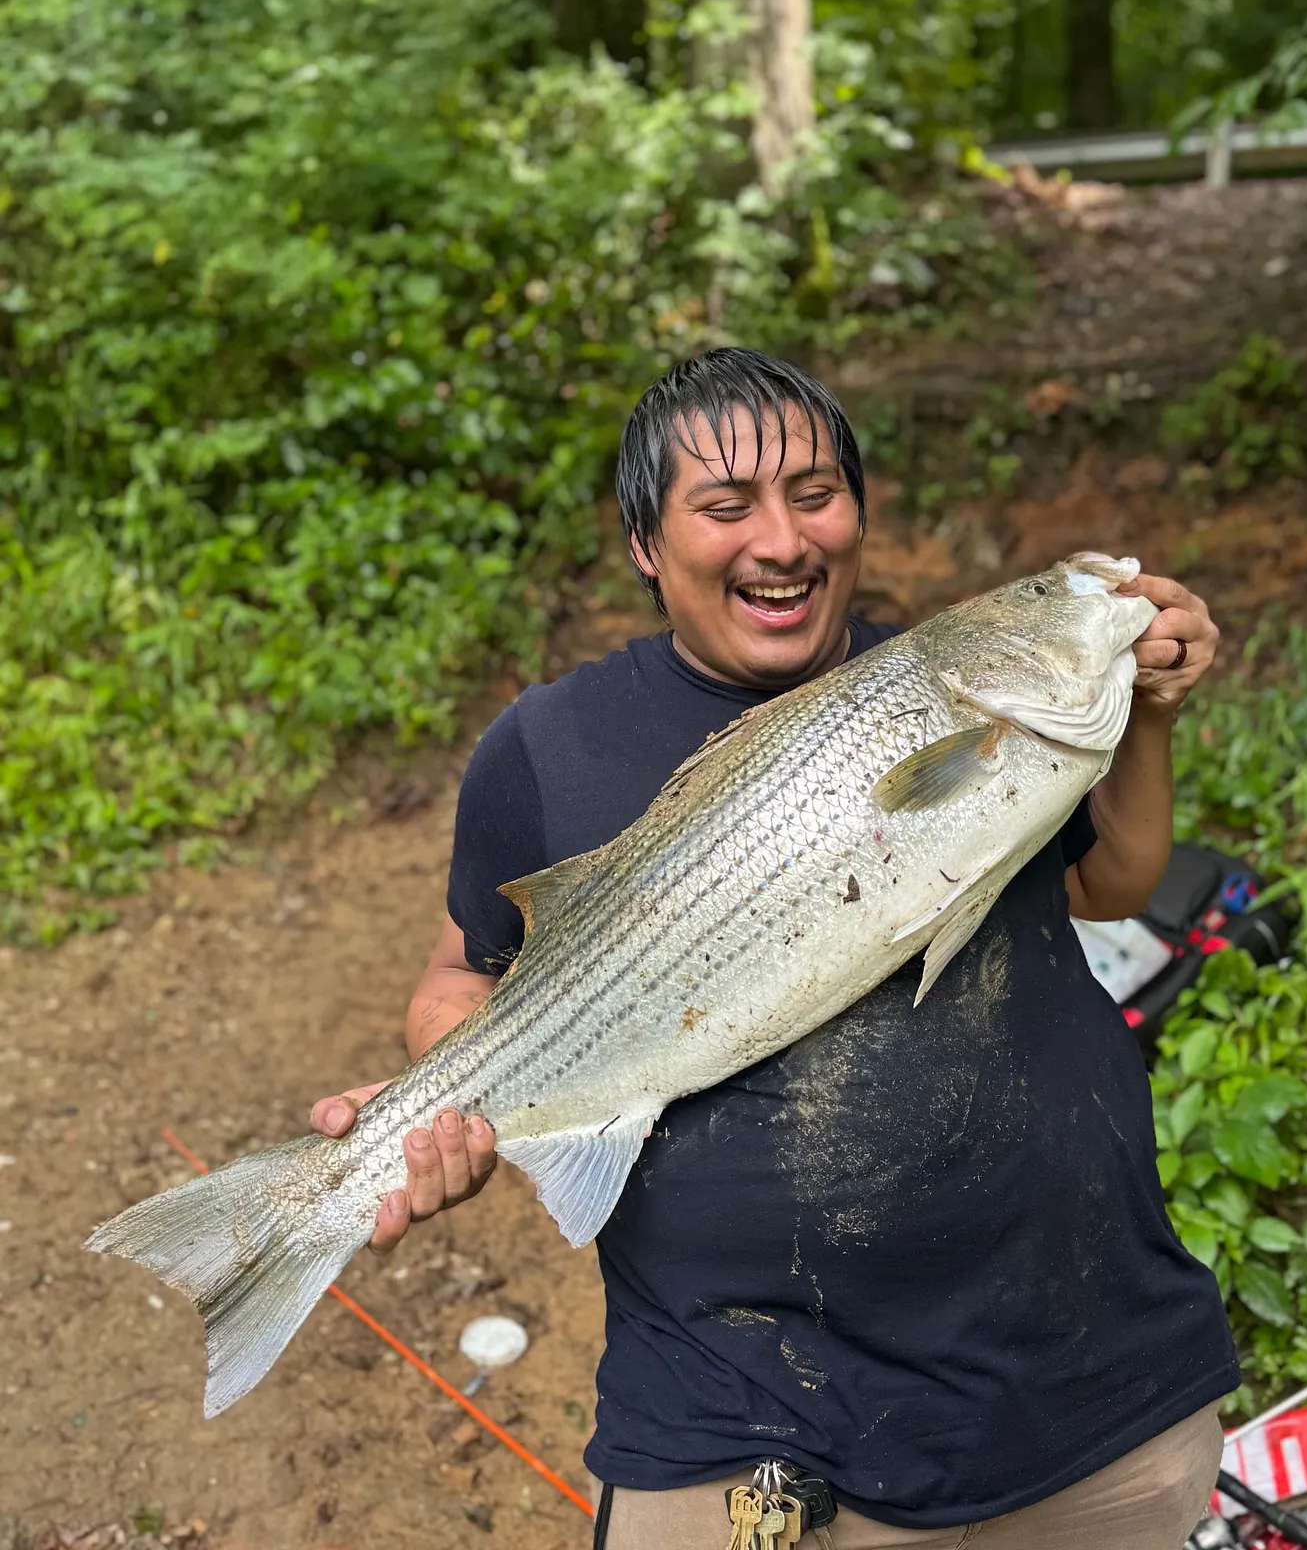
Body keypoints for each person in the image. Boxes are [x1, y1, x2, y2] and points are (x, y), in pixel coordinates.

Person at [312, 349, 1238, 1549]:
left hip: (1079, 1386)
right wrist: (459, 1103)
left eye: (815, 494)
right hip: (737, 1431)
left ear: (857, 514)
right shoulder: (548, 746)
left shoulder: (943, 681)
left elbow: (1117, 884)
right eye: (725, 505)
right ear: (646, 544)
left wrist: (1149, 714)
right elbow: (460, 975)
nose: (782, 540)